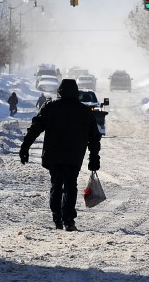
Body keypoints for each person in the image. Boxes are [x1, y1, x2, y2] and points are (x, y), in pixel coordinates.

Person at [19, 78, 101, 231]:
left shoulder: (51, 108)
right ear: (76, 92)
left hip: (54, 155)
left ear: (60, 91)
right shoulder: (84, 111)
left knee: (56, 184)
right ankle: (69, 219)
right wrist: (94, 157)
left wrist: (25, 147)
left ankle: (57, 217)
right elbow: (94, 137)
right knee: (71, 185)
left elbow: (35, 128)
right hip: (74, 156)